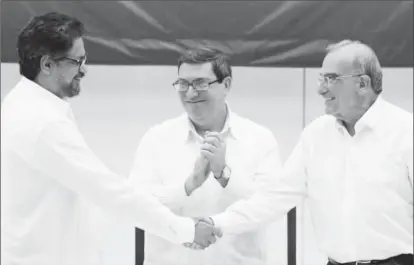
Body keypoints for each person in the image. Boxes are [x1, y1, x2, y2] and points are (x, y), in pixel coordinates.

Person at [1, 12, 220, 265]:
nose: (84, 69)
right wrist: (184, 230)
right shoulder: (42, 123)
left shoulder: (25, 103)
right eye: (77, 60)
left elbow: (103, 189)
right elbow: (108, 192)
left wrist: (185, 189)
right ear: (47, 65)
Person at [207, 40, 414, 265]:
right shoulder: (316, 135)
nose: (320, 88)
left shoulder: (406, 132)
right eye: (321, 78)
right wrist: (216, 224)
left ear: (362, 83)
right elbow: (274, 197)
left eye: (331, 79)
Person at [128, 47, 282, 265]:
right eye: (183, 84)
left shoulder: (259, 139)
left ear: (226, 84)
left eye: (201, 83)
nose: (190, 93)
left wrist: (224, 175)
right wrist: (189, 185)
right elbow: (137, 206)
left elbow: (271, 207)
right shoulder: (156, 139)